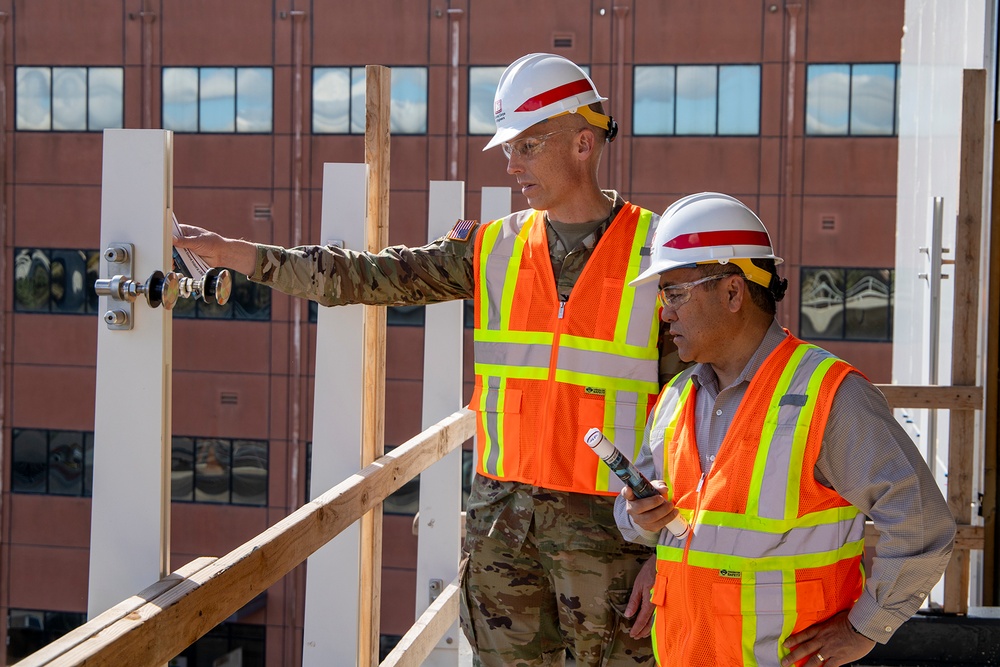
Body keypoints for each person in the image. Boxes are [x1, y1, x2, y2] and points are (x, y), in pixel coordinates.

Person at [176, 53, 684, 666]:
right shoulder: (493, 248)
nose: (510, 164)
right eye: (507, 148)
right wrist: (244, 256)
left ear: (583, 141)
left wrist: (668, 557)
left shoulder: (661, 257)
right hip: (504, 544)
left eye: (525, 146)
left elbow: (703, 419)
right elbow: (368, 276)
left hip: (613, 548)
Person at [613, 192, 956, 667]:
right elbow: (655, 523)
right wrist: (639, 517)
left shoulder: (830, 396)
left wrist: (866, 627)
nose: (663, 313)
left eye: (674, 293)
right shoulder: (676, 398)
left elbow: (922, 523)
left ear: (733, 293)